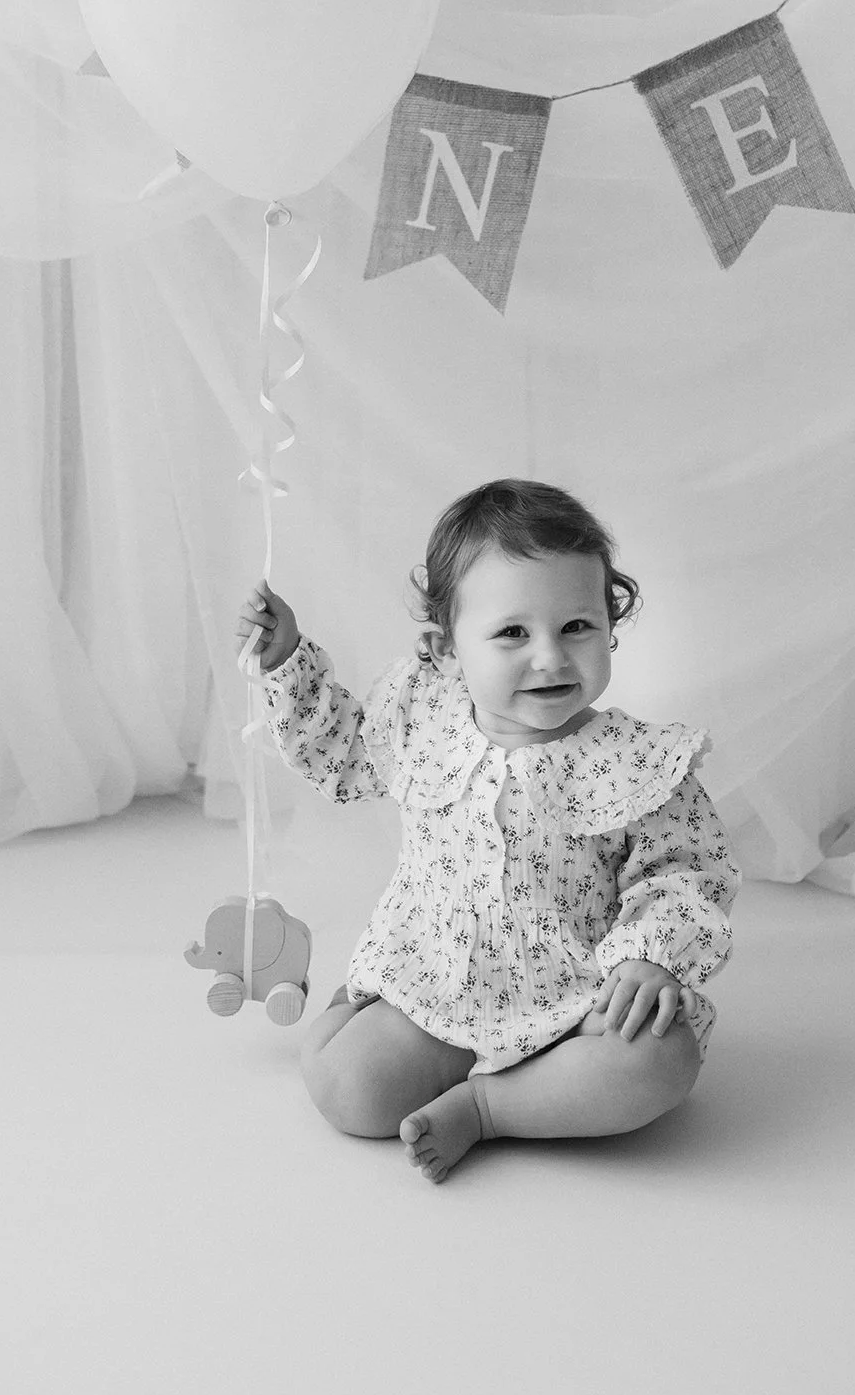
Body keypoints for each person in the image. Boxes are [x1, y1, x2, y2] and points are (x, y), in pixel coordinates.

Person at [234, 478, 740, 1183]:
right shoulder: (422, 718)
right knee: (347, 1089)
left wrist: (649, 955)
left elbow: (685, 870)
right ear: (447, 648)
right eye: (511, 633)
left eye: (576, 627)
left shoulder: (635, 763)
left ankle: (489, 1108)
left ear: (610, 623)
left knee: (660, 1060)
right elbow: (345, 756)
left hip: (576, 1007)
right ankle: (365, 1015)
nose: (550, 657)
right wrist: (287, 660)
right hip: (437, 988)